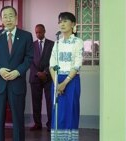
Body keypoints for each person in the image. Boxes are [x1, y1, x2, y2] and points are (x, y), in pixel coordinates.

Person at [0, 6, 33, 141]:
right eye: (5, 16)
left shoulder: (26, 36)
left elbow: (29, 58)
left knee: (18, 119)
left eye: (11, 16)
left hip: (17, 83)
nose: (8, 19)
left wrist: (18, 71)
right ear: (1, 19)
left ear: (16, 18)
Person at [49, 12, 83, 141]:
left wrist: (65, 83)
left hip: (72, 80)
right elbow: (52, 65)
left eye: (65, 21)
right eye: (60, 21)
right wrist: (57, 83)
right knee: (58, 113)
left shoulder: (78, 42)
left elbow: (77, 65)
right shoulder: (57, 42)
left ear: (73, 24)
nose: (62, 24)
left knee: (71, 111)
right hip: (57, 81)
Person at [29, 24, 54, 132]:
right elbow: (29, 60)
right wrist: (38, 73)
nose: (38, 34)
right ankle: (37, 124)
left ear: (44, 31)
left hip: (48, 78)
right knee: (36, 102)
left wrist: (46, 72)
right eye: (36, 32)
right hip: (35, 77)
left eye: (40, 32)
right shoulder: (31, 45)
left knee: (49, 102)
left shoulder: (52, 44)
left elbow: (54, 60)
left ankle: (50, 124)